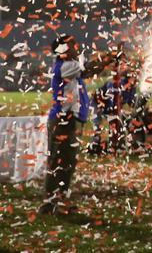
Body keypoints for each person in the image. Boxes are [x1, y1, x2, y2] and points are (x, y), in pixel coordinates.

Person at [40, 35, 116, 215]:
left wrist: (106, 59)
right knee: (63, 161)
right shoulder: (65, 65)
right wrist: (107, 59)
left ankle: (52, 202)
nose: (75, 46)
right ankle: (56, 202)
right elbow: (87, 69)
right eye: (71, 44)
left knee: (62, 161)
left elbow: (87, 70)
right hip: (64, 121)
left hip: (66, 120)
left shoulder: (68, 65)